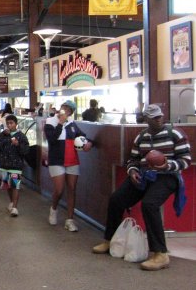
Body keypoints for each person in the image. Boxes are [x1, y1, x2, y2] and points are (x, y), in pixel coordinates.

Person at [92, 104, 191, 271]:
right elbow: (133, 160)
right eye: (154, 118)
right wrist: (132, 172)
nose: (158, 119)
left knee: (149, 204)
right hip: (145, 175)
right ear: (146, 119)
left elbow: (185, 160)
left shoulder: (175, 133)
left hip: (167, 177)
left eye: (159, 116)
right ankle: (110, 240)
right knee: (117, 199)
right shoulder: (141, 137)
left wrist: (167, 165)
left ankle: (160, 253)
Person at [44, 100, 92, 232]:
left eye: (69, 110)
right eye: (64, 108)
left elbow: (83, 137)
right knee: (59, 189)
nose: (65, 111)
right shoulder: (50, 122)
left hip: (72, 160)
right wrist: (60, 123)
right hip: (56, 160)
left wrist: (88, 144)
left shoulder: (72, 124)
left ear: (71, 112)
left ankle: (69, 220)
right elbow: (52, 139)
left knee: (72, 189)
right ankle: (53, 209)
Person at [0, 115, 30, 217]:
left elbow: (25, 151)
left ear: (16, 124)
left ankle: (15, 207)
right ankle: (11, 202)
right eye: (8, 123)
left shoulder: (21, 136)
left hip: (16, 166)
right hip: (5, 165)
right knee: (8, 186)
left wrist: (18, 144)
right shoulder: (3, 135)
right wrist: (3, 135)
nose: (9, 125)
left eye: (11, 123)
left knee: (15, 185)